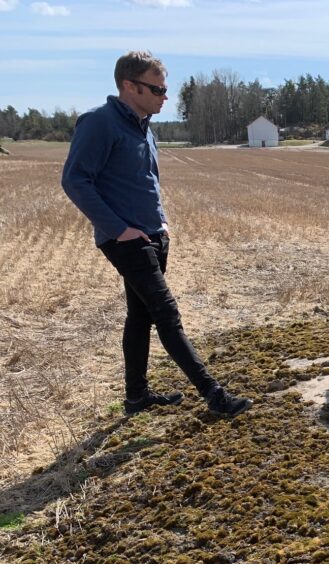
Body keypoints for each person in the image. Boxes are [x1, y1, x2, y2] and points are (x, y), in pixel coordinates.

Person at [62, 51, 252, 418]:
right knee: (166, 314)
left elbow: (147, 182)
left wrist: (160, 222)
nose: (165, 96)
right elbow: (75, 180)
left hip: (152, 236)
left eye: (166, 89)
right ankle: (215, 395)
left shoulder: (145, 126)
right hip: (125, 240)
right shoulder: (99, 123)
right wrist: (119, 230)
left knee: (141, 315)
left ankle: (136, 398)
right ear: (129, 86)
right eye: (157, 89)